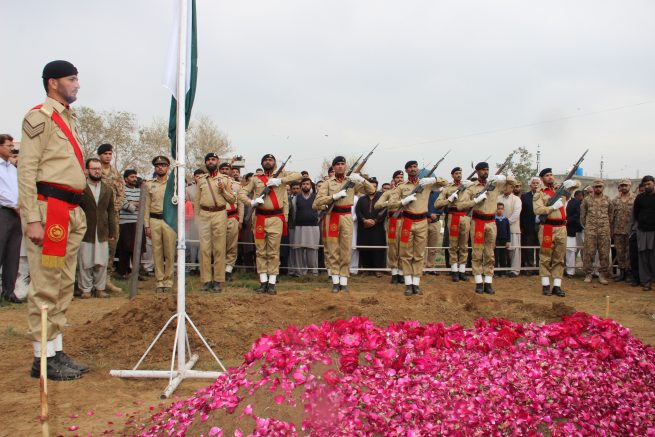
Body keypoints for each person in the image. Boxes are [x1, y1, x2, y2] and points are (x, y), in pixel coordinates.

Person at [19, 60, 89, 380]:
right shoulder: (39, 118)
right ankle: (42, 358)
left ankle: (56, 350)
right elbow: (27, 171)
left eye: (77, 79)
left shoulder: (70, 119)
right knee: (47, 285)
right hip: (51, 212)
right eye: (71, 79)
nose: (77, 84)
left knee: (63, 286)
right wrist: (32, 218)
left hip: (71, 211)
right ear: (53, 83)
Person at [377, 161, 447, 295]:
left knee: (419, 254)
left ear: (418, 169)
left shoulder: (426, 184)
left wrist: (433, 179)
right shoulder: (401, 187)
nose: (413, 169)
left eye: (415, 167)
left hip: (422, 222)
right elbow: (391, 204)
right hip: (407, 222)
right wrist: (402, 202)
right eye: (410, 167)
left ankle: (416, 283)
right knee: (406, 254)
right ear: (407, 170)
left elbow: (445, 183)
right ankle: (408, 284)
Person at [239, 154, 301, 294]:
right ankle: (263, 281)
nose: (268, 162)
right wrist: (251, 202)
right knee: (260, 251)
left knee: (273, 252)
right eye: (265, 160)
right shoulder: (256, 179)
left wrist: (279, 180)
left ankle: (272, 283)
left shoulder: (283, 176)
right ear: (262, 163)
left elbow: (299, 175)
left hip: (275, 218)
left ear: (275, 163)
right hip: (260, 218)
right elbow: (242, 193)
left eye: (270, 160)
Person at [313, 156, 374, 292]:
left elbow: (371, 191)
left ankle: (344, 282)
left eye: (342, 164)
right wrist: (333, 197)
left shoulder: (352, 182)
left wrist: (361, 179)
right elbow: (316, 203)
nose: (340, 166)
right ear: (333, 167)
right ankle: (335, 282)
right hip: (332, 215)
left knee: (346, 249)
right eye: (337, 164)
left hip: (346, 216)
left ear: (345, 166)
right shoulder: (328, 183)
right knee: (333, 250)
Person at [458, 162, 516, 294]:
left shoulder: (495, 185)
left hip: (491, 222)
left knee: (490, 254)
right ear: (477, 171)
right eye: (483, 170)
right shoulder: (472, 188)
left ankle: (488, 282)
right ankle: (479, 282)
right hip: (478, 222)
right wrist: (475, 201)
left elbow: (512, 183)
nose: (485, 172)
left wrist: (503, 177)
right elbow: (461, 205)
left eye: (487, 169)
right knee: (477, 253)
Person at [533, 169, 580, 296]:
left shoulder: (561, 189)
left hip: (561, 228)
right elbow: (537, 209)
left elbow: (577, 185)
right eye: (547, 176)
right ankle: (546, 285)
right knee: (545, 257)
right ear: (542, 178)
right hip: (547, 227)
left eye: (551, 175)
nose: (550, 177)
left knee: (559, 258)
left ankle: (557, 286)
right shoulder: (539, 193)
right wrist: (552, 207)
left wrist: (571, 183)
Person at [194, 153, 236, 292]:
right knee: (205, 249)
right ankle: (206, 280)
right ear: (205, 163)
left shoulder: (225, 179)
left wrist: (223, 190)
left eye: (213, 159)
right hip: (204, 215)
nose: (210, 162)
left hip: (219, 214)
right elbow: (197, 201)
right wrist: (197, 219)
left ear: (217, 161)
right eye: (208, 160)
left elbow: (232, 200)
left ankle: (218, 280)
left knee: (219, 248)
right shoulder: (201, 179)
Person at [77, 158, 117, 298]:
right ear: (87, 171)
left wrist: (113, 230)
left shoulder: (107, 189)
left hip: (102, 231)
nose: (97, 171)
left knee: (102, 260)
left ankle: (100, 288)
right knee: (85, 261)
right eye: (94, 169)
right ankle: (86, 289)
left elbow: (111, 211)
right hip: (84, 230)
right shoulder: (80, 188)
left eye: (99, 168)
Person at [434, 167, 473, 282]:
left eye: (460, 173)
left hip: (465, 216)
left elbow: (476, 201)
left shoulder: (468, 187)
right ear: (452, 175)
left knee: (464, 245)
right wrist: (449, 200)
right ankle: (454, 271)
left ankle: (462, 270)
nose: (459, 175)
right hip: (452, 215)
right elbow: (437, 204)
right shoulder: (447, 188)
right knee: (453, 245)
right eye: (456, 173)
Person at [144, 156, 176, 293]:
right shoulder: (149, 184)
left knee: (169, 252)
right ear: (155, 168)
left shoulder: (173, 184)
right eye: (158, 166)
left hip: (169, 221)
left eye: (163, 165)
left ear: (168, 167)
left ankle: (168, 281)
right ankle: (159, 281)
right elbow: (146, 206)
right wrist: (146, 225)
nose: (160, 168)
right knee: (156, 252)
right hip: (154, 220)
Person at [96, 143, 124, 294]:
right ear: (99, 155)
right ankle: (90, 281)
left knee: (111, 247)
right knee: (93, 246)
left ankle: (106, 280)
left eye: (110, 153)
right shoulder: (94, 170)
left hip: (112, 216)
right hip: (95, 215)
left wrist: (114, 209)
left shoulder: (115, 173)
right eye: (105, 153)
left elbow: (121, 192)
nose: (108, 156)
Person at [0, 134, 22, 303]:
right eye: (8, 145)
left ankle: (9, 291)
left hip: (16, 214)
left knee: (12, 253)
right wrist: (13, 204)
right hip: (4, 211)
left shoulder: (12, 169)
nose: (12, 148)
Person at [581, 180, 612, 284]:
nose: (598, 188)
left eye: (600, 187)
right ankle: (588, 274)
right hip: (590, 230)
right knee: (589, 252)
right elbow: (583, 216)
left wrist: (606, 226)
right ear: (593, 188)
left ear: (603, 188)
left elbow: (611, 214)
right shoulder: (586, 200)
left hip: (604, 230)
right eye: (596, 187)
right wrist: (588, 226)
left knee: (604, 253)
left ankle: (602, 275)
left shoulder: (608, 200)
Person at [376, 170, 405, 284]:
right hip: (393, 220)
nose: (400, 179)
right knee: (393, 248)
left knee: (403, 248)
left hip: (405, 220)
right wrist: (388, 203)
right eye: (397, 177)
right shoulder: (389, 192)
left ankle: (402, 273)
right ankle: (394, 273)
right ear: (393, 180)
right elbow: (377, 205)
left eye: (402, 177)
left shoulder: (408, 191)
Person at [289, 177, 320, 276]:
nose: (305, 185)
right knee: (298, 250)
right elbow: (293, 212)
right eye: (303, 184)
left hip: (313, 227)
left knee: (312, 250)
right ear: (301, 186)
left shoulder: (316, 197)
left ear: (311, 186)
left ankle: (313, 272)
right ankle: (300, 272)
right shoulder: (296, 198)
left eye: (307, 184)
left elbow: (319, 211)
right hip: (299, 227)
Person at [356, 178, 386, 276]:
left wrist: (375, 220)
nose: (372, 187)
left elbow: (384, 210)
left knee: (377, 249)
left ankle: (377, 270)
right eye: (370, 185)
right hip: (364, 227)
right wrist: (364, 220)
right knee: (365, 248)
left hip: (377, 227)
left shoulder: (381, 197)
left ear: (376, 187)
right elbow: (358, 211)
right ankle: (366, 269)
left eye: (374, 186)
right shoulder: (362, 199)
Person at [219, 162, 242, 281]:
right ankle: (219, 270)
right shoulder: (214, 183)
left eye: (227, 169)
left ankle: (228, 270)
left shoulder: (237, 186)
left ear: (230, 170)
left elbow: (241, 204)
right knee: (219, 245)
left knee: (232, 245)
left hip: (232, 217)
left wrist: (241, 220)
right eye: (222, 168)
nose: (224, 170)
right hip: (218, 217)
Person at [116, 170, 142, 278]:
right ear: (126, 179)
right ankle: (122, 272)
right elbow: (124, 204)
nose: (135, 178)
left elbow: (142, 204)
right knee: (125, 248)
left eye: (135, 176)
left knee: (137, 249)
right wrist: (133, 205)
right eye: (132, 177)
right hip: (125, 222)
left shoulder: (139, 191)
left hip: (138, 222)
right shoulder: (122, 191)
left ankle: (136, 272)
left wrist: (133, 203)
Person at [610, 179, 635, 282]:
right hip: (618, 231)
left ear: (630, 186)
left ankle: (629, 273)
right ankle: (622, 273)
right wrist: (611, 230)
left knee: (630, 253)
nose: (624, 187)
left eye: (626, 185)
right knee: (620, 252)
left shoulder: (635, 198)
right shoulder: (615, 200)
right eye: (622, 185)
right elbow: (611, 216)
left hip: (630, 231)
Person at [633, 175, 655, 291]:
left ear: (654, 183)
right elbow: (636, 214)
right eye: (645, 184)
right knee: (643, 257)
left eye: (649, 184)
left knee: (653, 257)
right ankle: (646, 282)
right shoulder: (640, 198)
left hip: (654, 231)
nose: (647, 186)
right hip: (642, 231)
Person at [185, 168, 205, 275]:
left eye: (202, 176)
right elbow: (186, 203)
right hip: (193, 219)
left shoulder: (207, 187)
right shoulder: (188, 189)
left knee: (204, 243)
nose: (199, 178)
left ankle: (202, 266)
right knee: (193, 244)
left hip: (206, 218)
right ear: (194, 177)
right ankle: (193, 266)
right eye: (197, 176)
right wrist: (195, 204)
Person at [499, 181, 522, 277]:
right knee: (500, 250)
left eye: (507, 186)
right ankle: (501, 269)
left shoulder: (516, 199)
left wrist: (506, 223)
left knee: (514, 250)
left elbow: (516, 213)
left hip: (512, 227)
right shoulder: (498, 198)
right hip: (499, 228)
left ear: (511, 188)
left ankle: (514, 270)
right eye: (503, 186)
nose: (504, 188)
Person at [520, 177, 541, 275]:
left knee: (541, 248)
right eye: (534, 183)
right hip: (528, 226)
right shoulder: (524, 197)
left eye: (537, 183)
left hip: (541, 225)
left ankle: (539, 268)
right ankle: (530, 268)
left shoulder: (543, 196)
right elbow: (522, 213)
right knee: (528, 248)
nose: (536, 185)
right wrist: (521, 226)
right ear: (530, 185)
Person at [565, 190, 584, 277]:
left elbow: (577, 215)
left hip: (570, 229)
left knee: (570, 250)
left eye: (568, 190)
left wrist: (567, 220)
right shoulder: (557, 201)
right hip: (557, 228)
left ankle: (570, 271)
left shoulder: (575, 202)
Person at [424, 187, 443, 275]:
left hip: (435, 222)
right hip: (423, 222)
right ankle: (422, 267)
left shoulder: (437, 194)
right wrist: (428, 215)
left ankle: (430, 267)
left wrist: (435, 214)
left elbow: (441, 205)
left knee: (433, 247)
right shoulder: (421, 193)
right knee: (422, 247)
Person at [494, 203, 511, 274]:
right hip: (496, 240)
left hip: (504, 240)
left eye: (501, 209)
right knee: (495, 256)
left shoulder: (506, 219)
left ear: (503, 210)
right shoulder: (493, 219)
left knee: (503, 256)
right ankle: (495, 272)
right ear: (496, 210)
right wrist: (493, 241)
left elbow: (508, 231)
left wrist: (508, 241)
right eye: (498, 208)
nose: (500, 210)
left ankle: (503, 272)